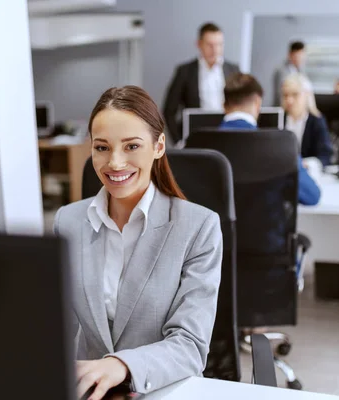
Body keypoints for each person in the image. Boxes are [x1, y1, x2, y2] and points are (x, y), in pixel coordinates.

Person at [54, 86, 222, 400]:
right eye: (102, 147)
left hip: (162, 390)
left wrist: (122, 366)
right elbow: (52, 325)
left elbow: (190, 346)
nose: (115, 163)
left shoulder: (198, 227)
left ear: (159, 146)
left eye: (132, 146)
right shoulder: (68, 221)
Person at [220, 73, 320, 206]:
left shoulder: (196, 144)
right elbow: (312, 195)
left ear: (224, 105)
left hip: (216, 227)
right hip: (264, 226)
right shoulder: (279, 146)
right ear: (257, 102)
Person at [163, 22, 240, 145]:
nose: (215, 50)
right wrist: (178, 142)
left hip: (226, 134)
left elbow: (240, 105)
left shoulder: (233, 70)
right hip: (194, 136)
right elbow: (169, 110)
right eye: (210, 45)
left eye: (219, 45)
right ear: (199, 44)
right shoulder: (185, 71)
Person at [282, 73, 333, 166]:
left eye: (295, 94)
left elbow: (326, 155)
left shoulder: (316, 121)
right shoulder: (280, 120)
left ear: (307, 95)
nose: (289, 100)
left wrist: (309, 164)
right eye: (285, 95)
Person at [274, 41, 308, 106]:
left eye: (302, 55)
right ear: (290, 55)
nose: (300, 59)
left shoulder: (301, 71)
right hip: (285, 107)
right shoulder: (281, 71)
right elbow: (280, 94)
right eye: (297, 56)